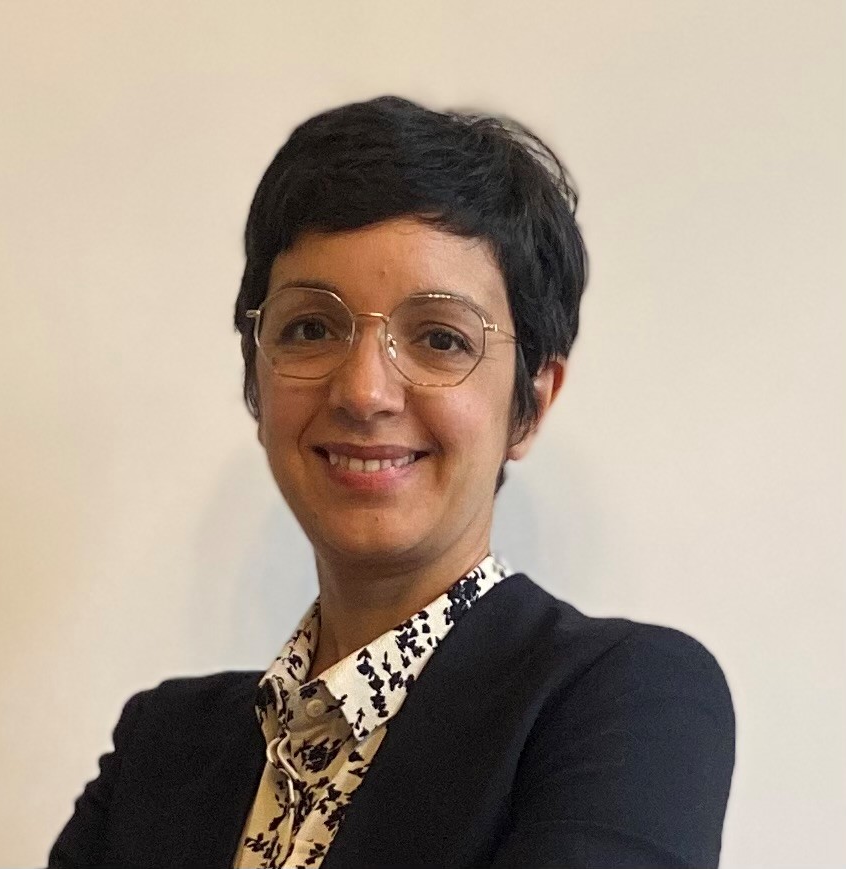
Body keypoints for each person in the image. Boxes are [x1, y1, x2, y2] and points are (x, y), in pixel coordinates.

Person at [48, 96, 735, 869]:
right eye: (311, 327)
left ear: (531, 403)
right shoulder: (160, 745)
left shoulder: (627, 703)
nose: (364, 391)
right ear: (255, 377)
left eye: (440, 338)